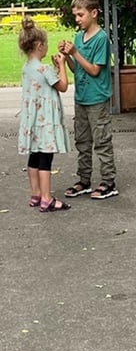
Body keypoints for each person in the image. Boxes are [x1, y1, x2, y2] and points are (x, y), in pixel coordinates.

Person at [59, 0, 118, 200]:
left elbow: (94, 70)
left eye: (80, 15)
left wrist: (75, 53)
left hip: (97, 100)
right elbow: (78, 70)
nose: (77, 19)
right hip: (81, 98)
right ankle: (84, 180)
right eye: (75, 15)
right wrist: (66, 58)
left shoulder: (101, 38)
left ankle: (108, 182)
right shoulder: (78, 37)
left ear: (94, 13)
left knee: (101, 141)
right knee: (82, 141)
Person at [18, 17, 71, 212]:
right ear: (40, 45)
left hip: (32, 121)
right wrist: (62, 65)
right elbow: (63, 86)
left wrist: (55, 70)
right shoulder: (44, 68)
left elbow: (45, 84)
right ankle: (47, 198)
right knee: (45, 160)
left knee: (34, 156)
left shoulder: (27, 68)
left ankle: (36, 194)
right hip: (46, 123)